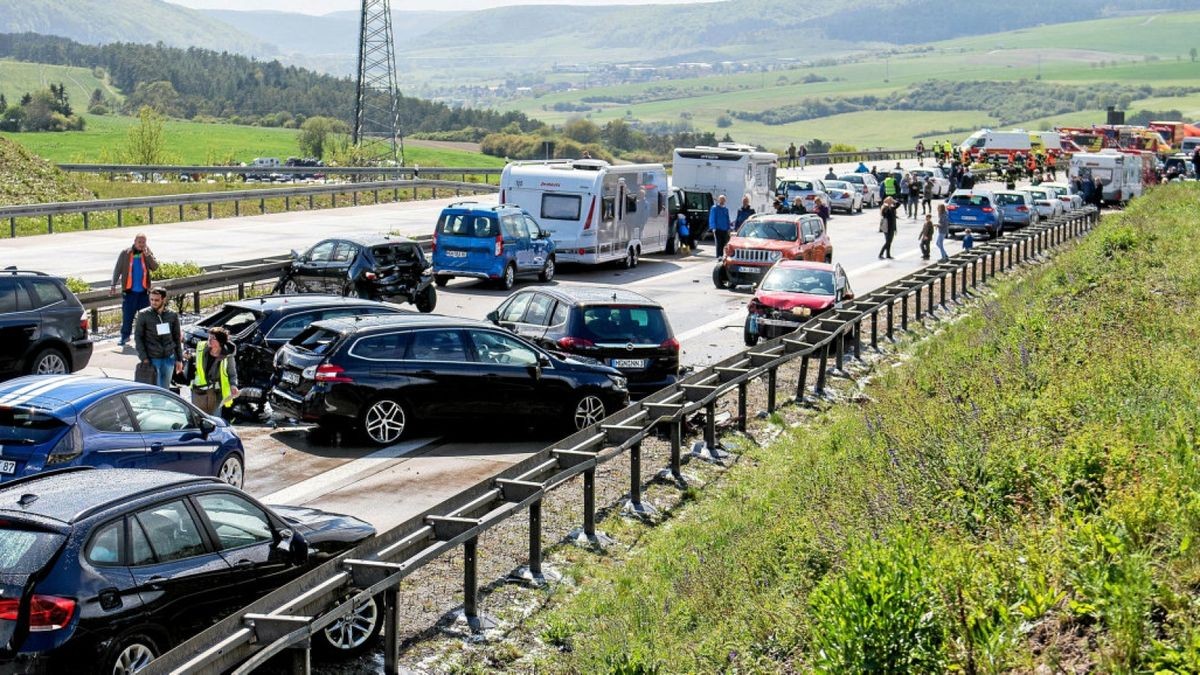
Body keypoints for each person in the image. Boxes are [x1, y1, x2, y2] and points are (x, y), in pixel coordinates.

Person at [110, 233, 159, 347]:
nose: (142, 245)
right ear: (135, 242)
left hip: (143, 293)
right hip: (130, 292)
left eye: (144, 242)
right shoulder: (126, 253)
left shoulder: (147, 253)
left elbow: (155, 267)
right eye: (139, 242)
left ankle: (145, 339)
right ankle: (124, 337)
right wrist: (113, 285)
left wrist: (148, 256)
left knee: (145, 318)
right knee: (127, 316)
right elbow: (118, 269)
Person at [134, 287, 183, 390]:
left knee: (165, 390)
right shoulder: (143, 314)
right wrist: (144, 358)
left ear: (163, 299)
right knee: (154, 390)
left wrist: (179, 359)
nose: (153, 302)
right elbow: (138, 337)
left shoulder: (172, 315)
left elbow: (177, 337)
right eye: (151, 299)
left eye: (156, 300)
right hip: (152, 359)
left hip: (169, 359)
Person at [191, 327, 239, 416]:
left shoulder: (228, 355)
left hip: (216, 392)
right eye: (209, 337)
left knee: (214, 419)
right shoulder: (202, 348)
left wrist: (233, 385)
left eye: (213, 338)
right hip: (199, 391)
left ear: (220, 342)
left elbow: (232, 373)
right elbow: (194, 359)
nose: (209, 339)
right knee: (197, 418)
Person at [708, 194, 731, 259]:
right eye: (721, 199)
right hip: (717, 229)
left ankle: (723, 255)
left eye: (723, 200)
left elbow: (727, 219)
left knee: (725, 243)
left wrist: (729, 228)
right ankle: (719, 256)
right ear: (718, 200)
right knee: (719, 243)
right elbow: (712, 218)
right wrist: (713, 227)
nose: (722, 201)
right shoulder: (714, 208)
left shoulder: (726, 209)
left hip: (725, 229)